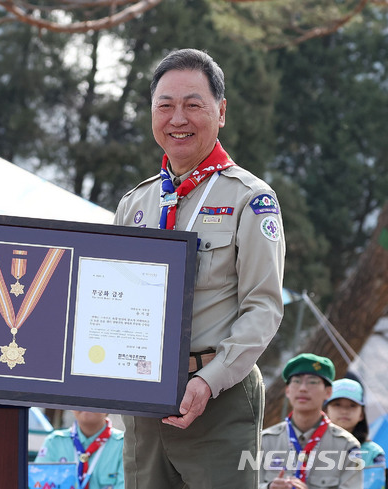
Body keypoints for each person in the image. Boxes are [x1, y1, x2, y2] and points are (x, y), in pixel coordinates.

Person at [113, 48, 285, 488]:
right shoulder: (135, 204)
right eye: (165, 106)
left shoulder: (251, 199)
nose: (177, 118)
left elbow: (263, 309)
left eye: (193, 105)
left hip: (219, 400)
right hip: (143, 401)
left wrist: (208, 381)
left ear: (221, 112)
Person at [260, 353, 363, 489]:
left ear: (328, 392)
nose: (303, 388)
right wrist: (268, 487)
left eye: (312, 382)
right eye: (296, 381)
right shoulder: (264, 441)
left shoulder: (347, 446)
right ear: (287, 391)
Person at [34, 411, 124, 489]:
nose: (87, 404)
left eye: (94, 398)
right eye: (80, 396)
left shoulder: (123, 445)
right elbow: (39, 483)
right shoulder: (54, 442)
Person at [325, 378, 386, 489]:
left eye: (352, 405)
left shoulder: (373, 453)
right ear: (326, 411)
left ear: (361, 414)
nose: (344, 411)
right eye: (337, 404)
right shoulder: (312, 447)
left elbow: (376, 484)